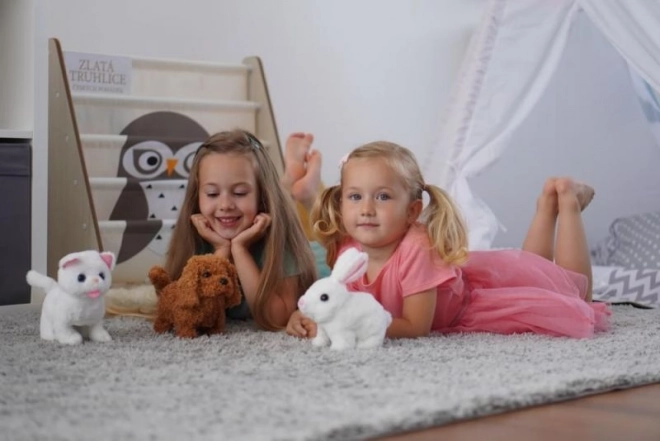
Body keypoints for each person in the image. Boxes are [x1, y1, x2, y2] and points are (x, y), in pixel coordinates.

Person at [286, 141, 611, 339]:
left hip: (471, 305)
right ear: (342, 203)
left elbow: (416, 326)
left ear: (412, 211)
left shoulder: (417, 249)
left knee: (573, 294)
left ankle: (568, 202)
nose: (367, 209)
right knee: (536, 271)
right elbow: (336, 300)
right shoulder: (349, 248)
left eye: (383, 197)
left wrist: (346, 326)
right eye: (355, 197)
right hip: (469, 279)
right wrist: (309, 315)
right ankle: (547, 206)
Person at [166, 129, 319, 331]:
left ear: (262, 196)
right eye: (212, 193)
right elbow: (192, 314)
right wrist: (221, 250)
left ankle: (307, 194)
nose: (225, 205)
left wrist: (239, 249)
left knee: (335, 232)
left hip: (321, 256)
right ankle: (289, 181)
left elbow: (277, 319)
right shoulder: (198, 238)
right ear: (197, 196)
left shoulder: (281, 241)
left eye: (239, 193)